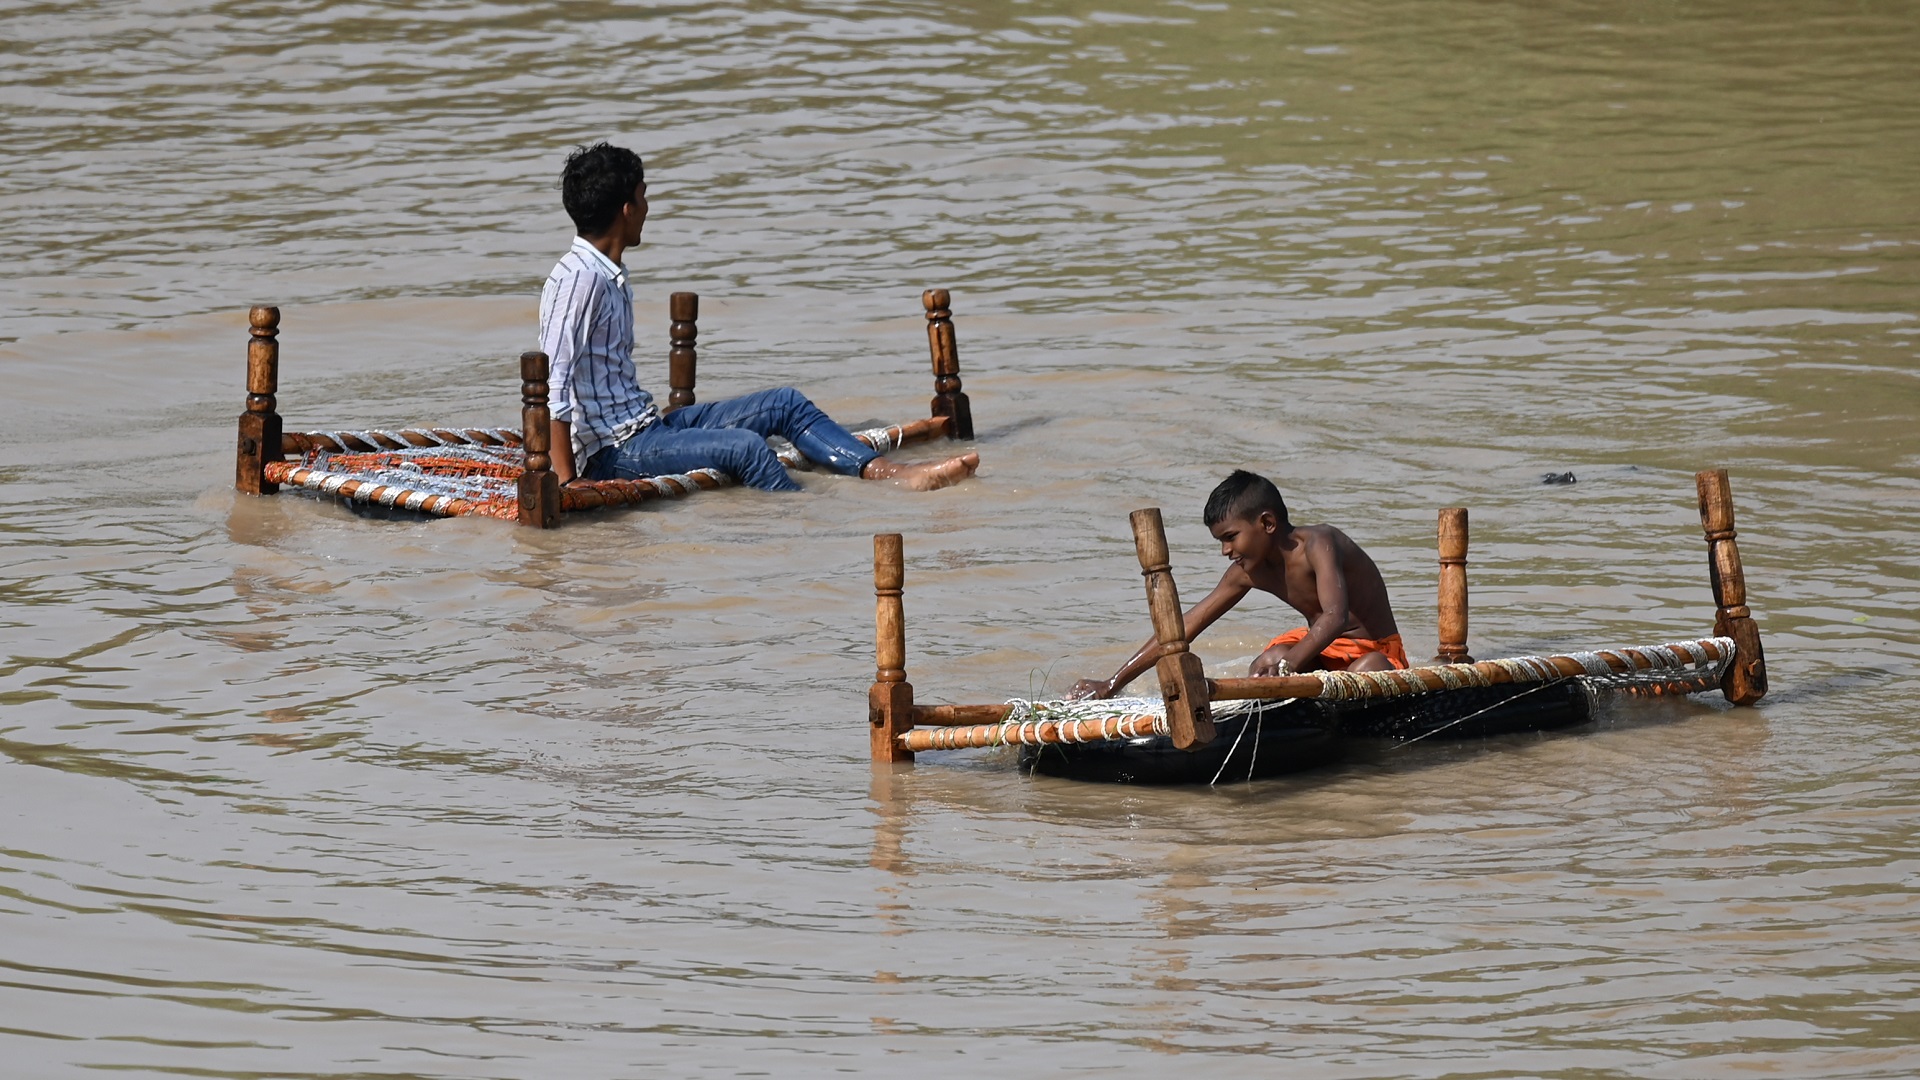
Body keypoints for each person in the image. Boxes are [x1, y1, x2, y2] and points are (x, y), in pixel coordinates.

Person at [539, 142, 980, 492]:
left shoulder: (606, 272)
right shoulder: (579, 280)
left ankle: (886, 475)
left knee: (785, 403)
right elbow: (553, 383)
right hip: (614, 452)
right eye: (643, 197)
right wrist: (565, 480)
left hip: (646, 427)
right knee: (746, 448)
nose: (648, 208)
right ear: (626, 210)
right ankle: (798, 523)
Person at [1070, 469, 1406, 700]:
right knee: (1267, 659)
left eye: (1231, 538)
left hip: (1375, 651)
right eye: (1221, 541)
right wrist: (1112, 684)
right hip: (1324, 651)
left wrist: (1287, 669)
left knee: (1365, 670)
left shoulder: (1319, 544)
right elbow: (1183, 628)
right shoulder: (1248, 570)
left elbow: (1334, 617)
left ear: (1267, 523)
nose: (1226, 551)